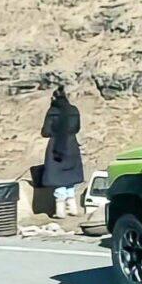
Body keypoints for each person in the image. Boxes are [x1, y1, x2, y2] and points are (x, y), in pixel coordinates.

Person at [41, 86, 84, 218]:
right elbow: (77, 128)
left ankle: (60, 211)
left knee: (57, 177)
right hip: (71, 145)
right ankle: (73, 208)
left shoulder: (52, 112)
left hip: (56, 147)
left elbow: (45, 132)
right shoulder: (74, 110)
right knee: (69, 176)